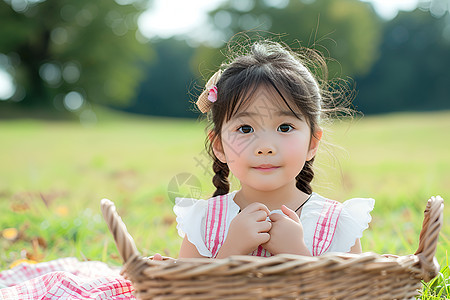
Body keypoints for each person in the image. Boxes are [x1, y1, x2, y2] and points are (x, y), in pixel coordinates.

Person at [173, 40, 374, 259]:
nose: (265, 147)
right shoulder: (203, 222)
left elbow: (348, 292)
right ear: (219, 146)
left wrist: (298, 255)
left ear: (312, 143)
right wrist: (230, 250)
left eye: (285, 127)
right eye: (245, 128)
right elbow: (188, 290)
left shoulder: (336, 224)